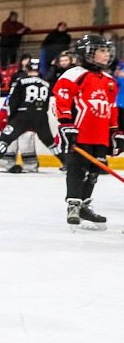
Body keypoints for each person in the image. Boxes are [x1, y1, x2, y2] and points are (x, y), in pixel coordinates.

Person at [52, 35, 120, 230]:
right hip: (79, 133)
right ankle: (73, 205)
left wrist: (115, 132)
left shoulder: (109, 80)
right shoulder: (74, 74)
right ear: (87, 53)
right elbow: (61, 101)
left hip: (99, 135)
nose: (107, 54)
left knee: (94, 171)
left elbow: (111, 108)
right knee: (77, 168)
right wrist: (66, 124)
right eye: (102, 50)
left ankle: (84, 205)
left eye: (107, 51)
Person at [0, 59, 59, 172]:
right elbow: (46, 104)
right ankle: (66, 163)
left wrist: (11, 118)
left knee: (5, 139)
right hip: (40, 115)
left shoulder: (20, 81)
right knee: (49, 142)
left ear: (27, 68)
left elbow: (13, 101)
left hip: (22, 115)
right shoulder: (46, 84)